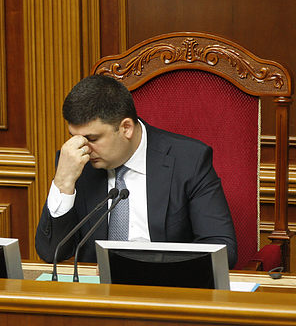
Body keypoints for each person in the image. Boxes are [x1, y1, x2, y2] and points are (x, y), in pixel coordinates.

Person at [35, 75, 237, 268]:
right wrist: (63, 182)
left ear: (126, 128)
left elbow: (222, 249)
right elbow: (51, 253)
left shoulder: (188, 160)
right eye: (74, 137)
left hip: (165, 285)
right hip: (97, 289)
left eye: (92, 139)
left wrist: (145, 268)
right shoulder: (76, 162)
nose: (83, 148)